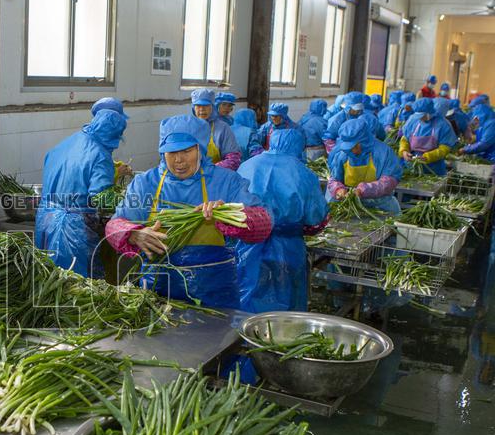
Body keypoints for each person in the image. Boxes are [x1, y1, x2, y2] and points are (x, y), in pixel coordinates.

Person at [105, 115, 271, 309]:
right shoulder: (146, 184)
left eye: (186, 151)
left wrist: (230, 215)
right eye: (171, 152)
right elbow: (114, 225)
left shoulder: (225, 181)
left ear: (200, 149)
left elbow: (265, 223)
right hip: (157, 292)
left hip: (214, 292)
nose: (178, 160)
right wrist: (133, 234)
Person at [236, 128, 329, 312]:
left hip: (247, 245)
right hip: (287, 249)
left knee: (248, 294)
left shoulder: (247, 165)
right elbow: (315, 218)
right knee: (286, 303)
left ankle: (244, 337)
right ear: (299, 147)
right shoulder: (304, 173)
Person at [35, 108, 129, 278]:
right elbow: (101, 198)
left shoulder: (66, 143)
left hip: (45, 220)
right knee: (79, 284)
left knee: (47, 278)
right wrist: (125, 201)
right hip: (73, 228)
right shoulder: (100, 155)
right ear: (114, 135)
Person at [327, 118, 403, 214]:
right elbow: (334, 179)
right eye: (348, 147)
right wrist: (338, 189)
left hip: (380, 205)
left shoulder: (383, 153)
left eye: (354, 146)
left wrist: (364, 190)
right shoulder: (342, 154)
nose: (352, 151)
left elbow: (390, 181)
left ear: (364, 141)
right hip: (348, 207)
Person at [398, 98, 457, 176]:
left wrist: (429, 156)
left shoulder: (442, 125)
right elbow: (405, 139)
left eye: (422, 116)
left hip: (433, 169)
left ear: (429, 113)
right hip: (410, 165)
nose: (419, 118)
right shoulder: (413, 120)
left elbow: (445, 148)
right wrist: (404, 151)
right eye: (418, 116)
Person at [189, 88, 242, 170]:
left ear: (212, 107)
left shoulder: (222, 128)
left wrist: (211, 170)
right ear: (193, 108)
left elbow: (234, 158)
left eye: (206, 105)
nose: (202, 109)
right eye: (198, 106)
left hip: (215, 177)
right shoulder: (187, 127)